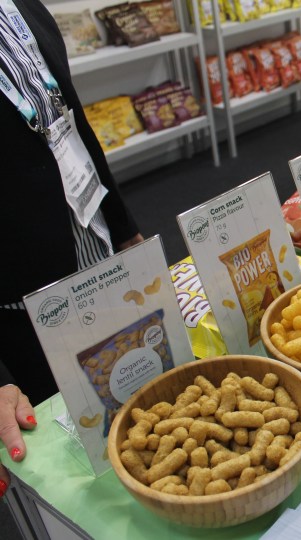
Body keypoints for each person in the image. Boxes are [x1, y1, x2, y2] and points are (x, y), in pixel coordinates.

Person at [0, 0, 144, 499]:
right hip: (19, 299)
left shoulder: (20, 7)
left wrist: (122, 227)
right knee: (75, 467)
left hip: (90, 246)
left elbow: (70, 120)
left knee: (129, 402)